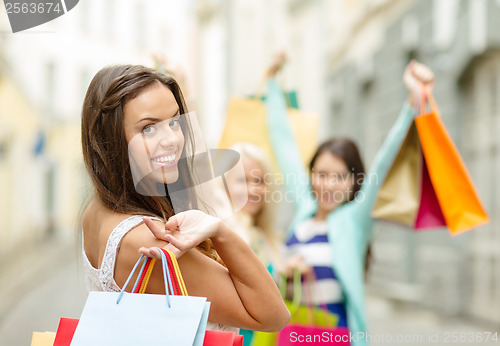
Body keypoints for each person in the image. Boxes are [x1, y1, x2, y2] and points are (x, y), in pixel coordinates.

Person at [80, 64, 290, 333]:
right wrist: (219, 231)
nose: (171, 139)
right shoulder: (146, 242)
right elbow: (272, 315)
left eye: (175, 122)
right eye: (148, 129)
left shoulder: (98, 208)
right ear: (111, 140)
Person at [265, 58, 434, 345]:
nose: (329, 184)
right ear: (311, 176)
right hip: (292, 334)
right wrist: (271, 84)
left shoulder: (355, 221)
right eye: (322, 175)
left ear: (355, 181)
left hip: (335, 336)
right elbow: (284, 146)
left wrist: (413, 102)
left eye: (340, 177)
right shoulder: (304, 211)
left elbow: (385, 162)